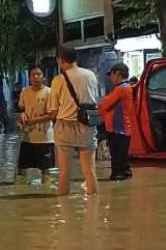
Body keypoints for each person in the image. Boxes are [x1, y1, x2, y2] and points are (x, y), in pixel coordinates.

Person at [48, 44, 99, 196]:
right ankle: (93, 212)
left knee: (64, 173)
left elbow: (53, 110)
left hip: (65, 126)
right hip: (87, 124)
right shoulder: (91, 75)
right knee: (89, 171)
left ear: (60, 60)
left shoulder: (58, 80)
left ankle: (64, 214)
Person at [15, 66, 55, 185]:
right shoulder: (25, 91)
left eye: (39, 74)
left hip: (45, 137)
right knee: (22, 167)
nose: (36, 77)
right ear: (29, 77)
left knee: (45, 169)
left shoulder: (49, 92)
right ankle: (20, 194)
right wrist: (22, 115)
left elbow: (52, 115)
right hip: (28, 136)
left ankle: (46, 195)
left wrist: (34, 120)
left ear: (44, 77)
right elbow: (22, 109)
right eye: (33, 75)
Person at [98, 62, 135, 181]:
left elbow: (104, 105)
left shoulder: (121, 89)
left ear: (118, 74)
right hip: (121, 128)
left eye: (112, 74)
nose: (110, 77)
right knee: (121, 158)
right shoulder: (125, 88)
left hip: (119, 129)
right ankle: (124, 174)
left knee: (117, 159)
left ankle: (119, 177)